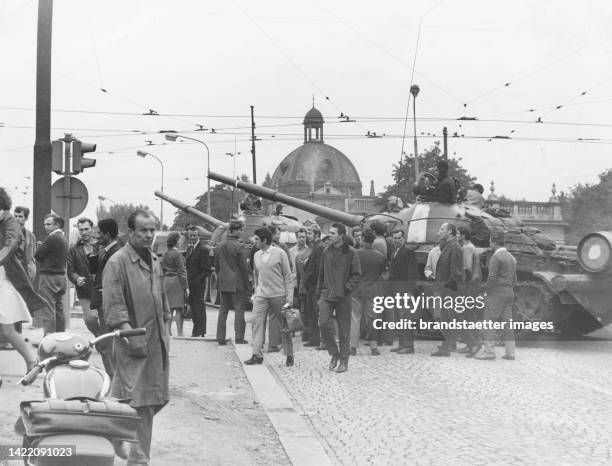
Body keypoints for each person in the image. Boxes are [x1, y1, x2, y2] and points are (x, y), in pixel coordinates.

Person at [103, 209, 170, 465]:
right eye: (143, 230)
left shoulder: (154, 259)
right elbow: (114, 308)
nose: (149, 234)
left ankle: (117, 433)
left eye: (152, 229)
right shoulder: (117, 262)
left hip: (157, 342)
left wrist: (166, 328)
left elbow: (161, 297)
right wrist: (132, 337)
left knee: (156, 398)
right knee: (138, 401)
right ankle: (138, 458)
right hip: (133, 342)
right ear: (130, 232)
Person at [0, 189, 40, 373]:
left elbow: (11, 244)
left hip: (5, 277)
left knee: (8, 329)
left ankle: (32, 360)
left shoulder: (10, 221)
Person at [244, 228, 294, 367]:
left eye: (257, 239)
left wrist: (289, 298)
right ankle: (256, 354)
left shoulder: (280, 253)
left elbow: (288, 276)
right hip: (261, 295)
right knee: (256, 322)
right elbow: (255, 275)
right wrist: (256, 291)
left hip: (278, 295)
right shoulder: (256, 255)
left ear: (265, 240)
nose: (254, 241)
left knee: (284, 325)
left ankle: (289, 354)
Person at [317, 223, 362, 373]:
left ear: (341, 235)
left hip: (343, 297)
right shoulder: (325, 251)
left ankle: (344, 361)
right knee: (323, 324)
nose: (330, 235)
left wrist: (347, 288)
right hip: (327, 295)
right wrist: (319, 294)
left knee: (344, 331)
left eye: (333, 233)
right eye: (329, 232)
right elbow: (321, 274)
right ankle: (334, 353)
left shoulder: (351, 253)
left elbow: (357, 274)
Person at [476, 230, 517, 361]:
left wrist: (487, 292)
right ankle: (510, 352)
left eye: (490, 241)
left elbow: (492, 277)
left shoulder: (496, 257)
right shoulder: (512, 257)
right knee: (508, 324)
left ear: (493, 241)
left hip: (497, 292)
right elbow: (515, 279)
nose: (489, 243)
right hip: (509, 292)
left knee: (489, 321)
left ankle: (489, 352)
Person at [90, 218, 121, 378]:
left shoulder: (115, 252)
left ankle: (113, 377)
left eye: (100, 233)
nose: (97, 236)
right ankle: (113, 376)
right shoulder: (107, 249)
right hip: (104, 300)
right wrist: (95, 253)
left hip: (108, 301)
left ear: (107, 234)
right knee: (106, 343)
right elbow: (96, 271)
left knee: (106, 345)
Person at [431, 222, 464, 357]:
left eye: (442, 229)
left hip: (449, 290)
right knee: (446, 317)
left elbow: (455, 272)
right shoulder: (448, 246)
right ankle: (449, 344)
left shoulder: (454, 247)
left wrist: (447, 291)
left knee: (449, 318)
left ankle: (449, 346)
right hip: (446, 289)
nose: (440, 231)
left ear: (450, 231)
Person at [350, 229, 385, 356]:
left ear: (363, 239)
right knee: (372, 319)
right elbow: (381, 273)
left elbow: (352, 272)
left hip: (357, 291)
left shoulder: (355, 254)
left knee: (355, 319)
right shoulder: (380, 256)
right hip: (373, 291)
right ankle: (374, 347)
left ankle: (353, 347)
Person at [215, 220, 249, 345]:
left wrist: (222, 276)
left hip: (224, 282)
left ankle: (220, 337)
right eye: (240, 229)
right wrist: (246, 283)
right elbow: (243, 268)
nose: (241, 232)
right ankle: (239, 337)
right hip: (237, 282)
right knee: (239, 310)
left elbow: (216, 265)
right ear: (234, 230)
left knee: (223, 310)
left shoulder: (220, 245)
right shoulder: (239, 246)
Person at [34, 213, 69, 335]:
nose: (45, 227)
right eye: (45, 224)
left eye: (48, 224)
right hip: (61, 277)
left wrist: (40, 248)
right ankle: (60, 336)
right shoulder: (63, 238)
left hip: (49, 277)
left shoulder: (52, 237)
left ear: (57, 224)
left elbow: (38, 256)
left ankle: (48, 338)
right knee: (59, 308)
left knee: (48, 308)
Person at [67, 217, 100, 336]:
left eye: (86, 229)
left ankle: (106, 343)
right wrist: (76, 278)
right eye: (81, 230)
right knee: (90, 319)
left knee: (107, 320)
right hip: (85, 290)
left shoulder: (101, 245)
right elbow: (70, 270)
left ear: (92, 228)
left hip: (102, 290)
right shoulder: (73, 249)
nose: (84, 232)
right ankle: (100, 338)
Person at [388, 229, 419, 355]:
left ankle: (408, 345)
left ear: (403, 239)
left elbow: (413, 272)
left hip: (405, 290)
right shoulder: (394, 251)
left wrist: (411, 291)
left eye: (399, 238)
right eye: (394, 238)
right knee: (399, 317)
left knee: (406, 317)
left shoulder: (408, 251)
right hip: (397, 290)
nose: (397, 240)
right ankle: (401, 343)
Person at [457, 225, 483, 357]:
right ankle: (470, 344)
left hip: (468, 286)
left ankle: (474, 344)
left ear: (462, 235)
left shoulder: (466, 248)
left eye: (458, 233)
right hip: (473, 286)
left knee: (466, 316)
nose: (456, 236)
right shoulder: (472, 247)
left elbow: (467, 268)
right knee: (469, 315)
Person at [185, 226, 211, 337]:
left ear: (198, 236)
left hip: (198, 284)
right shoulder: (190, 249)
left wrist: (197, 280)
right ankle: (196, 330)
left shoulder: (203, 249)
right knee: (193, 308)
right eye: (190, 235)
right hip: (190, 283)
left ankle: (201, 331)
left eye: (194, 235)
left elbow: (207, 270)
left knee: (199, 307)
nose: (192, 237)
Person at [162, 232, 188, 337]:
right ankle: (180, 333)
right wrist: (186, 287)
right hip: (176, 281)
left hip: (166, 281)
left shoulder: (165, 253)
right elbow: (182, 271)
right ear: (176, 241)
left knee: (169, 308)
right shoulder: (178, 254)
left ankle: (168, 332)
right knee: (178, 308)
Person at [303, 225, 324, 348]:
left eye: (310, 233)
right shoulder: (316, 247)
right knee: (311, 313)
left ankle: (316, 339)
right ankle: (314, 338)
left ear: (316, 234)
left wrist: (310, 281)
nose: (307, 236)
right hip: (312, 286)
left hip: (315, 286)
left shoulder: (319, 247)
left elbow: (318, 268)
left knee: (315, 313)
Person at [289, 228, 311, 341]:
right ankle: (294, 328)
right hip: (294, 284)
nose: (302, 239)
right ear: (296, 237)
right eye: (300, 237)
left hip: (305, 283)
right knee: (294, 308)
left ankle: (305, 330)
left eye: (304, 237)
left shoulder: (310, 250)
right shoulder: (291, 251)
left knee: (304, 308)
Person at [14, 206, 36, 281]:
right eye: (15, 216)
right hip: (13, 270)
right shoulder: (8, 234)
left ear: (26, 218)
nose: (17, 218)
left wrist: (32, 269)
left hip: (27, 272)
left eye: (20, 216)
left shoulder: (30, 235)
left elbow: (33, 255)